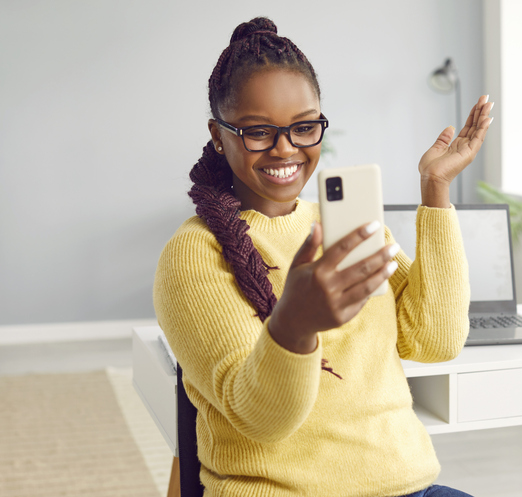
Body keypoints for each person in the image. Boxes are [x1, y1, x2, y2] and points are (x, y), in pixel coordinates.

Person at [154, 16, 492, 497]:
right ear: (218, 133)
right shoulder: (194, 253)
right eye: (258, 131)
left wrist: (436, 189)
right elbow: (259, 417)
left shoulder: (340, 222)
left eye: (304, 127)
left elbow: (434, 341)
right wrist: (295, 325)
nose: (285, 148)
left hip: (408, 486)